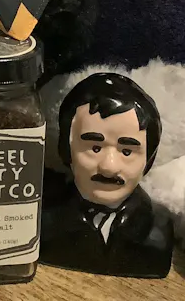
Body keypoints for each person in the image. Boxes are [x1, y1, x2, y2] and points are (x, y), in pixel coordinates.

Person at [39, 73, 173, 278]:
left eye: (126, 152)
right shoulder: (46, 223)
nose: (109, 167)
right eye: (95, 148)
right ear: (66, 149)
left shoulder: (156, 231)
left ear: (149, 158)